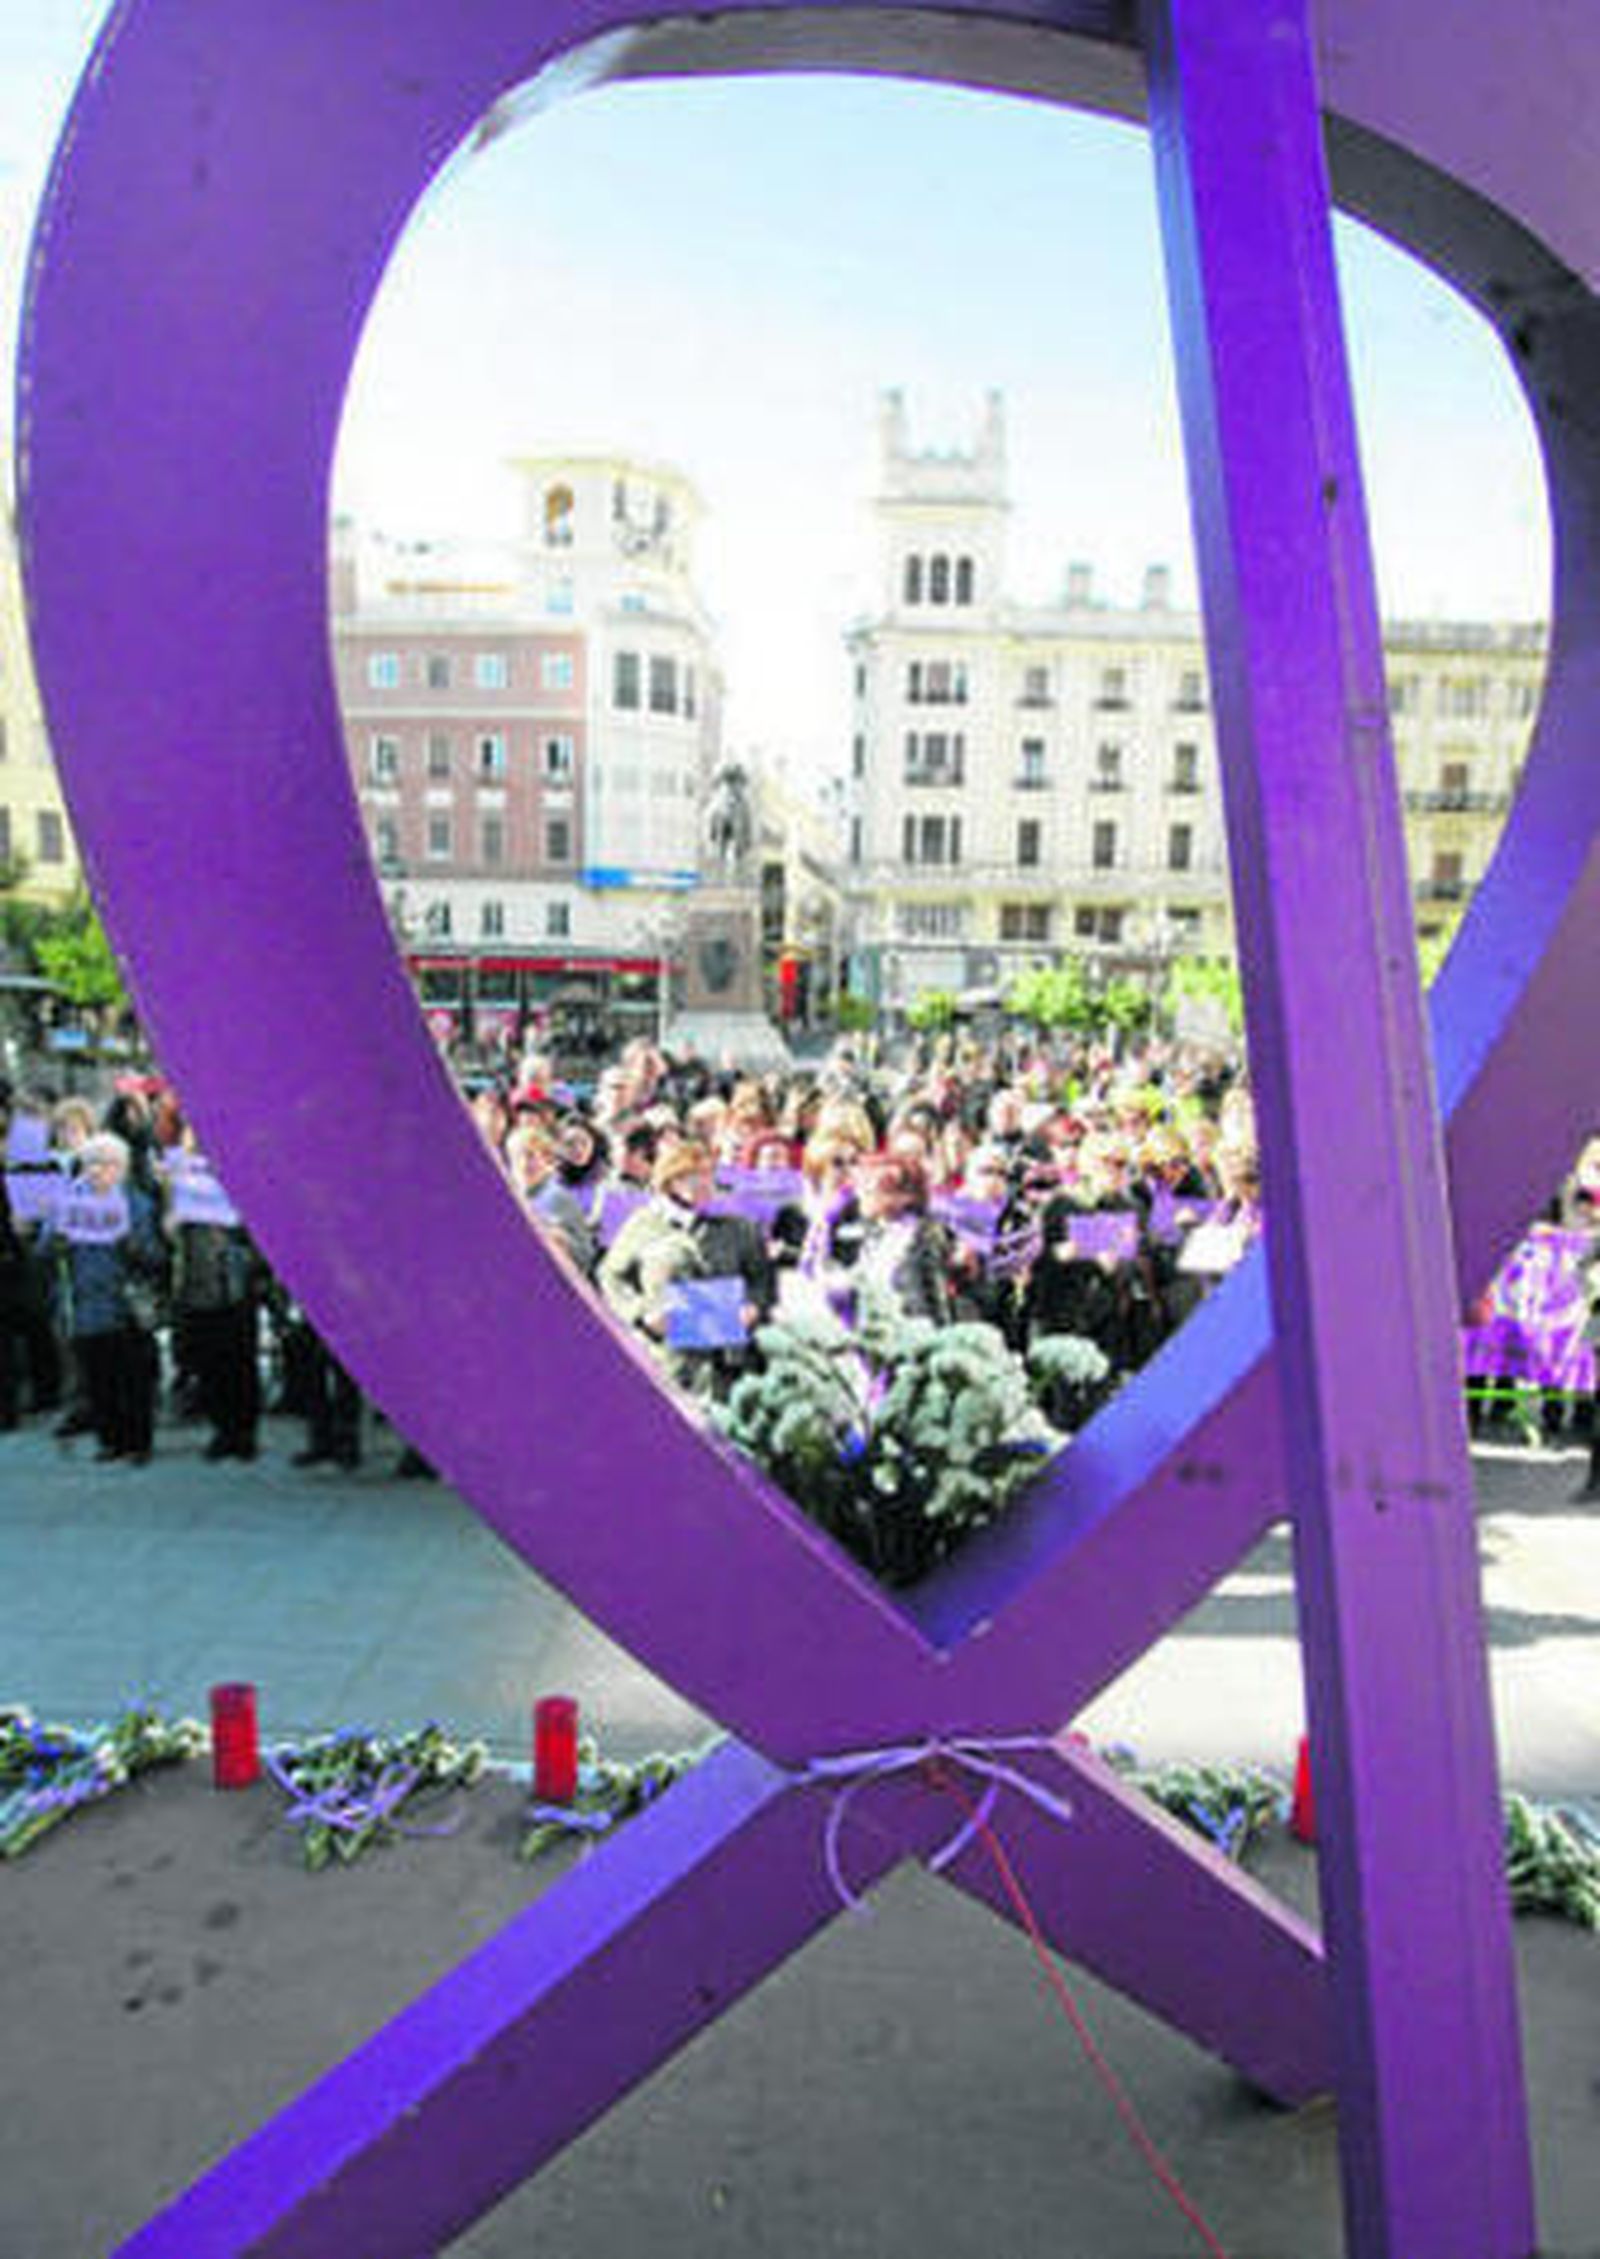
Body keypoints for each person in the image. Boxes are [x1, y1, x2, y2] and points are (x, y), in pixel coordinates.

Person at [46, 1131, 164, 1464]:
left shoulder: (137, 1203)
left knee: (133, 1377)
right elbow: (45, 1248)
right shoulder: (69, 1200)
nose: (97, 1170)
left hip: (125, 1303)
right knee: (99, 1376)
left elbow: (156, 1257)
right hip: (86, 1302)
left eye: (107, 1164)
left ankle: (138, 1443)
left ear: (122, 1168)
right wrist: (57, 1238)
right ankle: (111, 1440)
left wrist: (131, 1244)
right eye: (91, 1163)